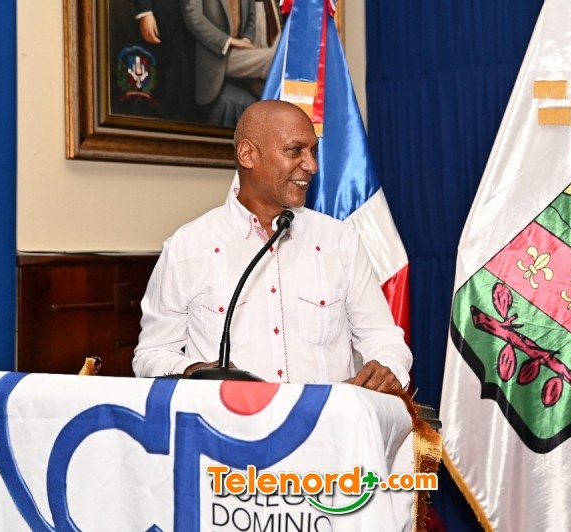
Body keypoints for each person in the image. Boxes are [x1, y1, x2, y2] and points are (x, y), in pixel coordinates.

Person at [133, 100, 412, 392]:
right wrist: (193, 371)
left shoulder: (340, 241)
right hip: (227, 418)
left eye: (313, 151)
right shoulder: (187, 248)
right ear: (247, 154)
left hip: (326, 418)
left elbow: (383, 338)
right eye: (295, 150)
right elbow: (151, 355)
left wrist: (387, 368)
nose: (312, 166)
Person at [179, 0, 277, 125]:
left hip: (241, 53)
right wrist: (228, 41)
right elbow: (192, 16)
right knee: (273, 59)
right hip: (214, 55)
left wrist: (246, 40)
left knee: (267, 91)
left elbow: (251, 19)